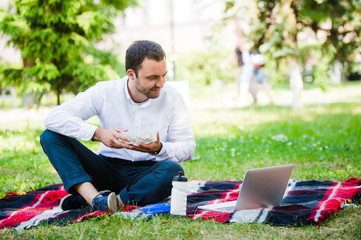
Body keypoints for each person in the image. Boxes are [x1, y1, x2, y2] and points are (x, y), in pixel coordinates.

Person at [40, 40, 196, 212]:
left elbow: (188, 146)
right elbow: (54, 117)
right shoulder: (105, 92)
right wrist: (97, 133)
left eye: (164, 75)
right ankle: (96, 199)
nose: (160, 83)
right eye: (152, 77)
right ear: (131, 74)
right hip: (106, 168)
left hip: (148, 172)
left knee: (173, 171)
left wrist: (159, 148)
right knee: (50, 136)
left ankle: (108, 202)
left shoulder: (172, 97)